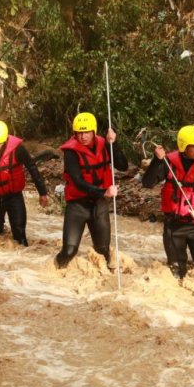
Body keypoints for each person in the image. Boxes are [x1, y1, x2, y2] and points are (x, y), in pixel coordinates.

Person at [142, 125, 194, 280]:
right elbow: (147, 183)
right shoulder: (168, 162)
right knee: (176, 272)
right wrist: (157, 160)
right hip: (174, 226)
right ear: (184, 146)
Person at [54, 112, 128, 269]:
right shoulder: (71, 152)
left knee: (103, 252)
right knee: (69, 251)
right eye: (79, 133)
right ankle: (55, 272)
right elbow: (78, 182)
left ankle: (104, 281)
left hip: (98, 205)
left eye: (86, 132)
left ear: (94, 131)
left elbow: (123, 166)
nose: (83, 136)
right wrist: (104, 192)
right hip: (77, 206)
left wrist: (113, 144)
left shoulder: (104, 143)